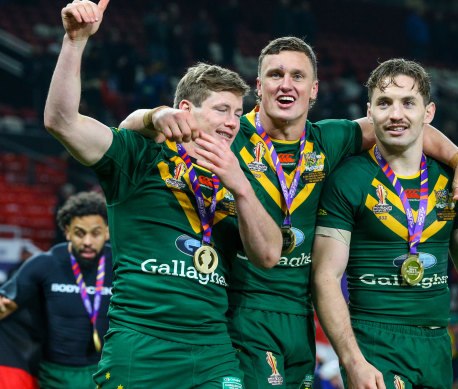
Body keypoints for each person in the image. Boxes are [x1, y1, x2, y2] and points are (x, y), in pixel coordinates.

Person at [121, 36, 458, 389]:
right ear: (259, 86)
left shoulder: (327, 140)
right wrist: (153, 114)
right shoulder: (229, 133)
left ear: (314, 89)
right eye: (275, 75)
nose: (286, 85)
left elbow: (402, 128)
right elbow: (133, 133)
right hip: (242, 309)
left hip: (299, 317)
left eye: (298, 76)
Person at [43, 1, 282, 388]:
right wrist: (74, 42)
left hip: (213, 351)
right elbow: (61, 122)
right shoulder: (139, 157)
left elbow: (270, 255)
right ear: (186, 109)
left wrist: (240, 186)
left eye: (238, 113)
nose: (232, 122)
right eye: (222, 109)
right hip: (141, 346)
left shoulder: (241, 179)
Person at [311, 58, 458, 389]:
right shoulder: (347, 180)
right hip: (375, 343)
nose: (396, 114)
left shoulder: (453, 183)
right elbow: (326, 276)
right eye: (384, 103)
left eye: (408, 102)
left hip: (438, 346)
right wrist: (353, 361)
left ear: (429, 113)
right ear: (370, 112)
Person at [0, 191, 112, 389]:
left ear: (107, 231)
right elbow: (5, 305)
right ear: (67, 231)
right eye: (79, 233)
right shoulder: (44, 263)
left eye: (95, 233)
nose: (87, 241)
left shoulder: (121, 266)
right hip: (55, 376)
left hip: (106, 373)